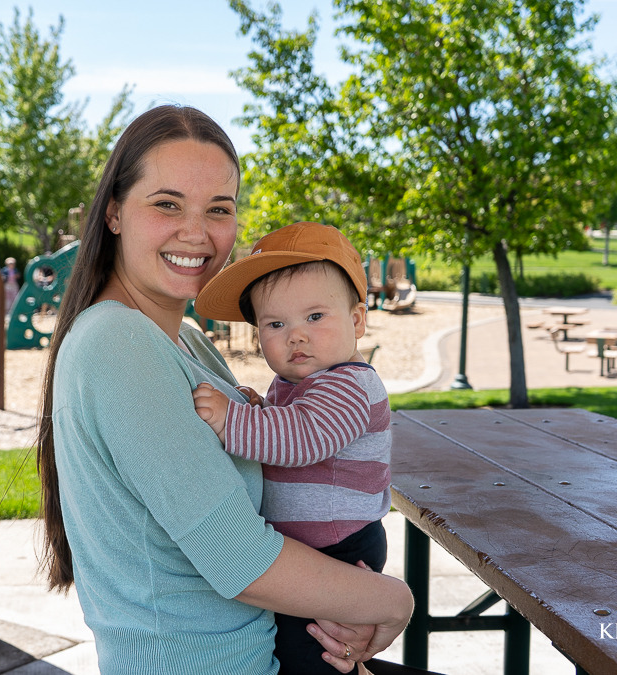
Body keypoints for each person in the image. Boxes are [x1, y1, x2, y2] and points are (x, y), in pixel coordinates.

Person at [35, 105, 413, 675]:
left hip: (270, 650)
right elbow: (240, 558)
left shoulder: (186, 342)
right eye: (167, 204)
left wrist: (344, 604)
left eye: (219, 209)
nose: (196, 232)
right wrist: (393, 602)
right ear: (113, 212)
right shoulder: (117, 343)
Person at [192, 221, 392, 674]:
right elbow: (294, 424)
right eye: (276, 323)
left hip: (338, 548)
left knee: (315, 654)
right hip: (314, 546)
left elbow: (303, 438)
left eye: (315, 317)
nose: (295, 335)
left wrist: (234, 420)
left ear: (357, 320)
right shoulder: (302, 382)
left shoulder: (351, 384)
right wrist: (263, 408)